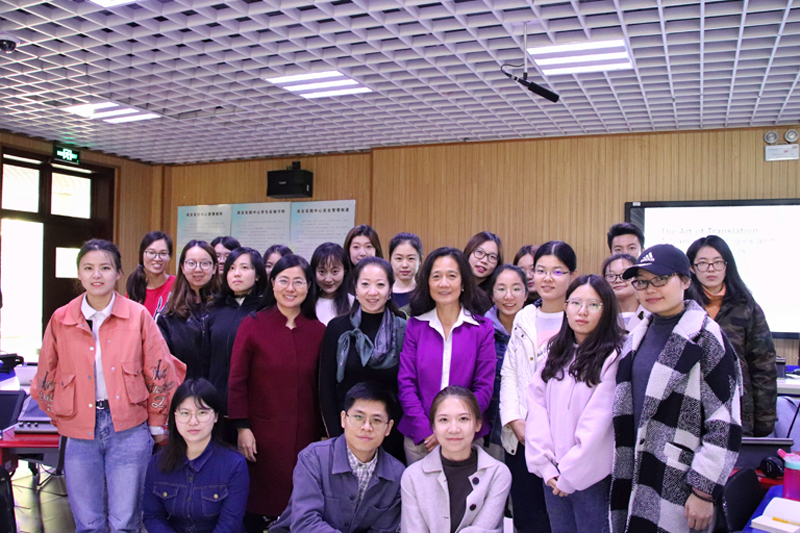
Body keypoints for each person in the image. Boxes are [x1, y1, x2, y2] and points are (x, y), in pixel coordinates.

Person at [31, 239, 185, 533]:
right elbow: (45, 377)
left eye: (105, 268)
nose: (96, 275)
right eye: (88, 268)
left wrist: (156, 422)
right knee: (88, 523)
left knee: (125, 522)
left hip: (129, 429)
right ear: (79, 273)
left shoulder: (138, 316)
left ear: (118, 273)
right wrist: (62, 415)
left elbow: (161, 372)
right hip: (79, 432)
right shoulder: (61, 318)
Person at [611, 244, 742, 533]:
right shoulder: (637, 334)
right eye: (641, 282)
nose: (650, 289)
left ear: (684, 280)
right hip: (635, 469)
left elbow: (724, 423)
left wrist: (703, 491)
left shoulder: (706, 337)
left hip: (679, 479)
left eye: (660, 279)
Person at [228, 254, 326, 530]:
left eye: (298, 282)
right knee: (260, 505)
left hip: (306, 436)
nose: (290, 288)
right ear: (272, 284)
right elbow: (237, 380)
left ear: (309, 286)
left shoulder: (319, 331)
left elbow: (322, 387)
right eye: (283, 280)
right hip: (261, 436)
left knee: (301, 506)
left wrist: (323, 432)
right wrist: (242, 428)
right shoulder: (253, 324)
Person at [525, 275, 624, 533]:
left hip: (591, 476)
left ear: (606, 310)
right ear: (565, 306)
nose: (582, 311)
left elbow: (598, 424)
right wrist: (546, 466)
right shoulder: (554, 352)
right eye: (576, 302)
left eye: (593, 305)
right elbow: (536, 409)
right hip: (553, 474)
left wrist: (570, 474)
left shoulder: (613, 357)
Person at [500, 240, 577, 533]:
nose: (547, 278)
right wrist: (514, 419)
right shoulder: (525, 316)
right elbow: (510, 372)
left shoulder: (580, 317)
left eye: (557, 271)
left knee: (562, 518)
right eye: (541, 270)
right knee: (528, 517)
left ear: (572, 275)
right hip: (523, 436)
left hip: (565, 441)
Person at [397, 247, 495, 464]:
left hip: (466, 437)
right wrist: (426, 429)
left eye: (451, 276)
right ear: (427, 283)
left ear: (463, 282)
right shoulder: (415, 326)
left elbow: (484, 387)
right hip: (421, 438)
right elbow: (406, 383)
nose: (444, 283)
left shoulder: (482, 329)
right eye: (436, 276)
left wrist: (455, 428)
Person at [270, 382, 405, 533]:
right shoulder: (313, 458)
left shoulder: (397, 475)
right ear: (343, 419)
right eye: (359, 417)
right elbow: (305, 522)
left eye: (376, 420)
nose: (367, 427)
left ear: (388, 428)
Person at [687, 235, 777, 437]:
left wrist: (765, 421)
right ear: (692, 268)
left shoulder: (747, 307)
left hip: (737, 409)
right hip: (690, 410)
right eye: (703, 263)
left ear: (727, 266)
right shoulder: (683, 306)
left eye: (717, 262)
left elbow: (763, 364)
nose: (711, 269)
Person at [319, 257, 407, 462]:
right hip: (347, 430)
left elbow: (408, 384)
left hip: (391, 431)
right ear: (355, 288)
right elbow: (326, 388)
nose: (372, 292)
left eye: (380, 285)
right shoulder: (337, 328)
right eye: (365, 284)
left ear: (390, 289)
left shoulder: (402, 328)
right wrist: (336, 434)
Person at [143, 379, 249, 533]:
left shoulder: (234, 464)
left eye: (202, 413)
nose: (193, 422)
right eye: (185, 413)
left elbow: (230, 523)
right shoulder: (157, 463)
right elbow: (153, 516)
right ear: (175, 416)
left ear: (216, 416)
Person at [400, 386, 511, 533]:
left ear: (478, 424)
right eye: (444, 420)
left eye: (463, 419)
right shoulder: (412, 476)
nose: (454, 429)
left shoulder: (497, 474)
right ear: (433, 426)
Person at [202, 247, 266, 424]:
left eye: (244, 268)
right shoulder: (215, 310)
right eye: (231, 268)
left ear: (258, 275)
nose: (236, 273)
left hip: (253, 410)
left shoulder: (265, 312)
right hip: (215, 408)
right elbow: (206, 360)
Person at [157, 240, 220, 379]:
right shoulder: (169, 315)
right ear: (182, 267)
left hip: (221, 389)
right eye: (191, 263)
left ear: (214, 268)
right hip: (184, 389)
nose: (198, 269)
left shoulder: (226, 308)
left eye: (205, 263)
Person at [484, 265, 528, 460]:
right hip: (489, 431)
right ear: (492, 295)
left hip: (527, 431)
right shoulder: (481, 331)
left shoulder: (535, 331)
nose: (508, 296)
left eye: (516, 289)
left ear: (526, 294)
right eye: (501, 289)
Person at [126, 231, 175, 317]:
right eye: (151, 253)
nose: (157, 258)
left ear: (169, 257)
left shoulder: (178, 285)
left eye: (163, 253)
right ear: (142, 255)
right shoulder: (134, 287)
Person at [602, 253, 647, 333]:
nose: (618, 280)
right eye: (611, 276)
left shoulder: (651, 313)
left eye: (624, 275)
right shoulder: (600, 316)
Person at [311, 242, 353, 326]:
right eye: (322, 272)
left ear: (345, 271)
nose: (328, 279)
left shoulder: (353, 303)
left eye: (335, 271)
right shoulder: (306, 302)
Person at [463, 231, 503, 314]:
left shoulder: (496, 295)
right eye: (479, 252)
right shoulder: (455, 285)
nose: (484, 261)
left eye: (492, 257)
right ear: (469, 252)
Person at [389, 232, 423, 314]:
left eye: (411, 258)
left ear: (420, 260)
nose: (404, 265)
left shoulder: (425, 294)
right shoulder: (383, 293)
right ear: (390, 260)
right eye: (399, 258)